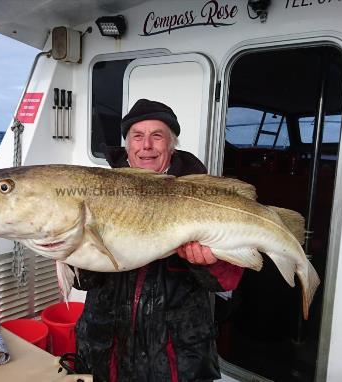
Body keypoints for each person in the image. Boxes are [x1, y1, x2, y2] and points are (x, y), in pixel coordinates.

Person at [74, 99, 244, 382]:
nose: (146, 146)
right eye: (137, 136)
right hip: (106, 350)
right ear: (127, 145)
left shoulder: (200, 192)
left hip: (175, 359)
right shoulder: (96, 191)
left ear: (171, 145)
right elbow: (83, 281)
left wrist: (206, 264)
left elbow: (227, 283)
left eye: (157, 136)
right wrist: (65, 246)